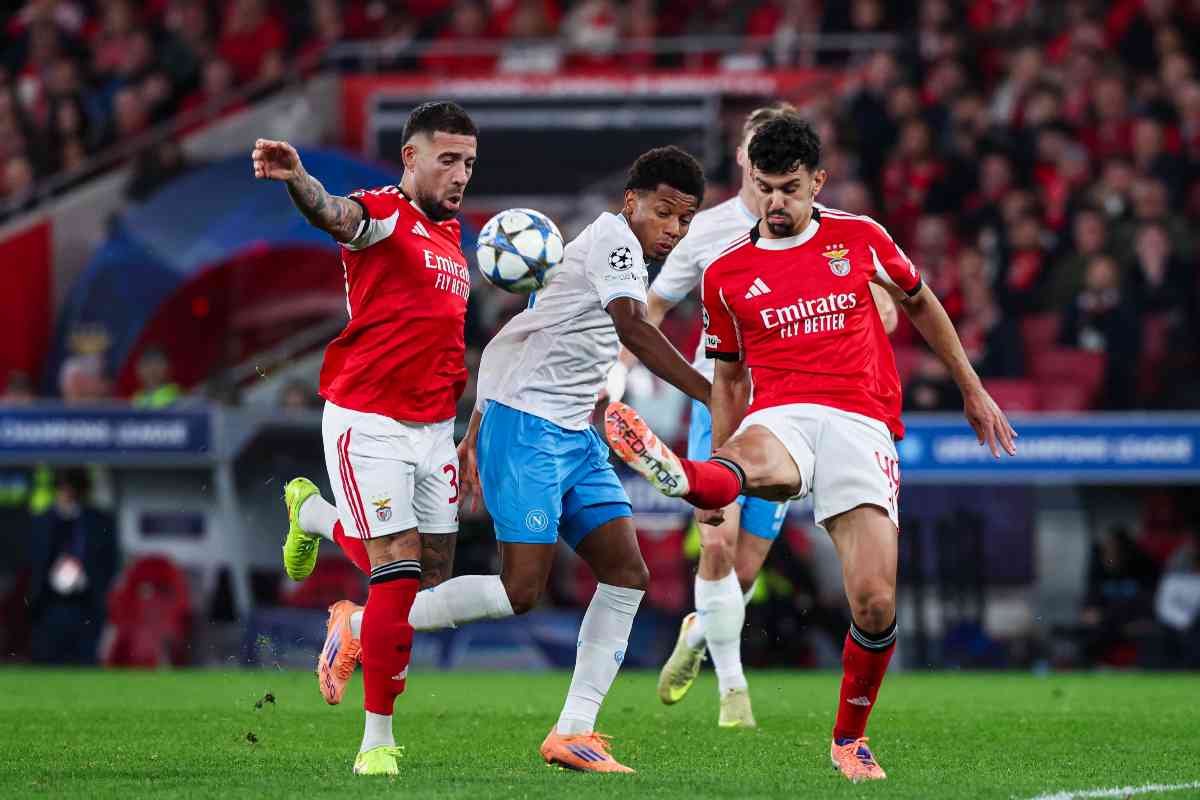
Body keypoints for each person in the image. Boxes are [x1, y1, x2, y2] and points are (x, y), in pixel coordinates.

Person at [605, 115, 1016, 782]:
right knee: (744, 470)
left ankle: (849, 739)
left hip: (861, 421)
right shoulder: (726, 271)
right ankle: (692, 477)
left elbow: (920, 303)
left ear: (817, 182)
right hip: (781, 415)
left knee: (874, 603)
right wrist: (725, 459)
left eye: (789, 189)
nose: (775, 203)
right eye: (765, 188)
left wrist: (972, 389)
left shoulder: (861, 237)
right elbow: (729, 380)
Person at [292, 146, 713, 772]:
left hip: (572, 432)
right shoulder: (615, 242)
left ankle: (574, 731)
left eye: (685, 219)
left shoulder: (608, 255)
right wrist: (712, 394)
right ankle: (357, 624)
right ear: (632, 202)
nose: (673, 229)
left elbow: (519, 334)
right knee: (522, 590)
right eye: (664, 212)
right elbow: (632, 327)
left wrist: (475, 424)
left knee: (627, 573)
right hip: (527, 432)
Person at [605, 104, 898, 730]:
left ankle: (698, 633)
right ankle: (733, 694)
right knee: (716, 541)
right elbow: (652, 308)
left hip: (790, 411)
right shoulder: (706, 232)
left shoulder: (831, 231)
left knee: (742, 571)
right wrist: (614, 377)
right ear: (742, 156)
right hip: (720, 401)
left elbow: (888, 306)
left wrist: (877, 315)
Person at [252, 100, 478, 776]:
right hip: (369, 420)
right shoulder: (383, 213)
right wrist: (299, 180)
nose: (460, 174)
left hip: (433, 429)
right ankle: (376, 740)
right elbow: (334, 214)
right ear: (411, 157)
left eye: (469, 163)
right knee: (398, 572)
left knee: (428, 577)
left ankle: (313, 517)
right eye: (448, 159)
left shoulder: (452, 238)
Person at [28, 468, 119, 665]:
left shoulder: (98, 521)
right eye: (62, 488)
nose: (66, 493)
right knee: (47, 663)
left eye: (71, 488)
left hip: (86, 604)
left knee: (85, 662)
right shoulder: (41, 521)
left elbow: (110, 561)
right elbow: (33, 562)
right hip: (49, 605)